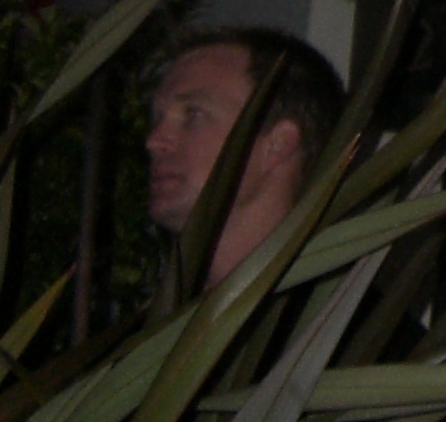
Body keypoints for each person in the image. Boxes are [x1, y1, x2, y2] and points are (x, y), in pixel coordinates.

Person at [145, 26, 347, 285]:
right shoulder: (167, 310)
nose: (154, 141)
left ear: (278, 144)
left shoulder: (348, 308)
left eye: (193, 114)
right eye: (157, 119)